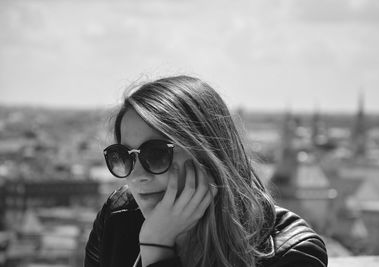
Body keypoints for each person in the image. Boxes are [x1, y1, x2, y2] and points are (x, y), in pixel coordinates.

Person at [85, 75, 328, 267]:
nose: (137, 176)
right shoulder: (118, 217)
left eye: (156, 154)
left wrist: (157, 249)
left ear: (208, 154)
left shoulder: (292, 251)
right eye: (123, 157)